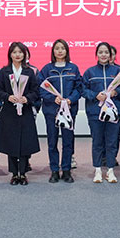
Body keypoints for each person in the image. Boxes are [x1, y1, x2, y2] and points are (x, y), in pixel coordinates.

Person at [82, 42, 120, 183]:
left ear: (111, 55)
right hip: (95, 112)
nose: (103, 55)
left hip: (113, 112)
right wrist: (95, 95)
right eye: (101, 52)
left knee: (111, 141)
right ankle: (97, 170)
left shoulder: (118, 71)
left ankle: (110, 170)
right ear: (96, 54)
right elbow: (83, 90)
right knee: (97, 141)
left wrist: (116, 92)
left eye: (106, 52)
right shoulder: (89, 72)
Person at [0, 42, 40, 185]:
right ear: (10, 54)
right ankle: (15, 174)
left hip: (25, 111)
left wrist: (27, 98)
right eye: (14, 52)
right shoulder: (4, 71)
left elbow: (36, 91)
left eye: (20, 52)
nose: (17, 55)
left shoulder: (29, 71)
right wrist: (7, 97)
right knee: (11, 142)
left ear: (25, 54)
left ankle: (23, 173)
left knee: (25, 142)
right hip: (9, 111)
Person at [39, 39, 82, 183]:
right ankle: (54, 170)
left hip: (69, 110)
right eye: (57, 48)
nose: (60, 51)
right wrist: (53, 98)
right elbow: (41, 89)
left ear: (67, 51)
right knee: (52, 141)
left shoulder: (73, 68)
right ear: (53, 51)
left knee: (68, 141)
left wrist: (70, 99)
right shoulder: (47, 69)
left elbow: (79, 87)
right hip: (51, 110)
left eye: (62, 48)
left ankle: (67, 170)